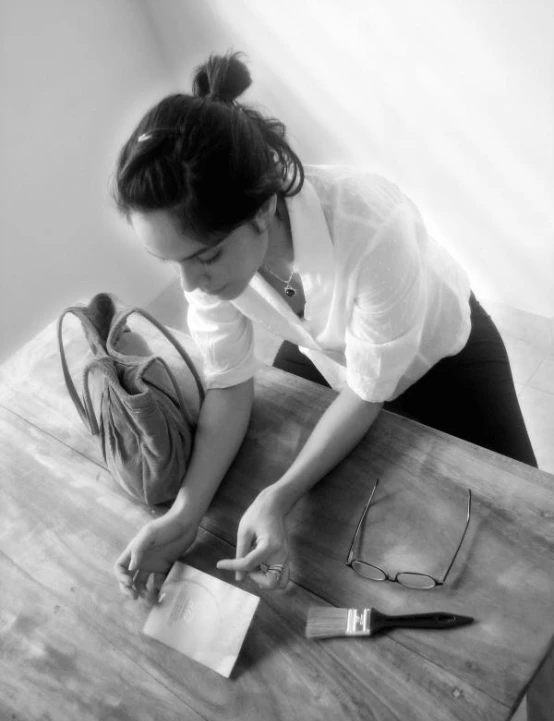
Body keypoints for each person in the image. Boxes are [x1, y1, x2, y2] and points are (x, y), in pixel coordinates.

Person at [112, 51, 537, 603]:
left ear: (263, 210)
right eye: (174, 263)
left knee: (530, 525)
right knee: (346, 531)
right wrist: (184, 514)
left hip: (440, 355)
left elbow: (368, 387)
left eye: (207, 257)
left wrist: (281, 494)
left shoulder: (371, 224)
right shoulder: (215, 262)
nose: (191, 285)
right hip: (326, 349)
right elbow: (228, 381)